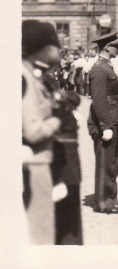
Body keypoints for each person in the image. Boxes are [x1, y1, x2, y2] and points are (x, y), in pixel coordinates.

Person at [22, 20, 64, 243]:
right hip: (34, 166)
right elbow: (33, 131)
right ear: (44, 48)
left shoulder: (32, 75)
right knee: (40, 236)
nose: (59, 50)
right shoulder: (25, 77)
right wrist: (57, 121)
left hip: (38, 164)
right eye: (55, 45)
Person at [87, 31, 118, 214]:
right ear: (107, 47)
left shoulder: (106, 66)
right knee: (106, 163)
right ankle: (105, 203)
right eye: (116, 46)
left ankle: (110, 199)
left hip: (113, 119)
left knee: (112, 162)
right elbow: (99, 100)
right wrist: (106, 126)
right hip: (106, 122)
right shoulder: (99, 69)